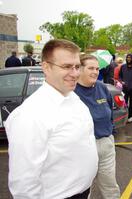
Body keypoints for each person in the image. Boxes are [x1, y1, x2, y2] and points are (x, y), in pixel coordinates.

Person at [5, 39, 98, 199]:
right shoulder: (30, 115)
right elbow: (23, 184)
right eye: (67, 66)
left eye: (77, 66)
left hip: (84, 192)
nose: (75, 73)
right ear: (46, 67)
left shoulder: (73, 98)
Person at [75, 54, 120, 199]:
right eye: (90, 68)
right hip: (84, 147)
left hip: (106, 144)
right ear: (80, 69)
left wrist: (111, 132)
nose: (95, 72)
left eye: (97, 68)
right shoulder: (72, 92)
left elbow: (110, 111)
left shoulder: (101, 87)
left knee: (110, 185)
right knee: (82, 187)